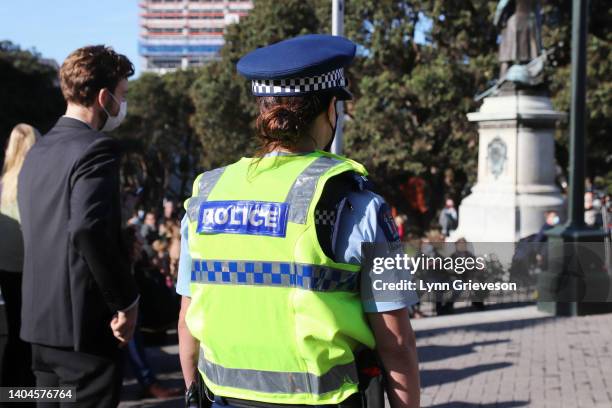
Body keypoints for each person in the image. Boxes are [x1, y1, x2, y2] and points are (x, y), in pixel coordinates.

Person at [177, 34, 420, 408]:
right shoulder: (356, 204)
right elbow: (396, 342)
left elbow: (188, 320)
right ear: (329, 111)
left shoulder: (206, 194)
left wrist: (195, 394)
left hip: (224, 398)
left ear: (263, 110)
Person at [17, 45, 139, 407]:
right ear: (103, 97)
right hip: (84, 334)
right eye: (122, 95)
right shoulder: (97, 148)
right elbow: (88, 228)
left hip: (39, 329)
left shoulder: (37, 151)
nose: (122, 104)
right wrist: (126, 301)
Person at [0, 124, 39, 389]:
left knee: (15, 329)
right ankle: (25, 392)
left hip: (5, 267)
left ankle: (10, 390)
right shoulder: (33, 180)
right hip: (30, 267)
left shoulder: (3, 182)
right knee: (30, 334)